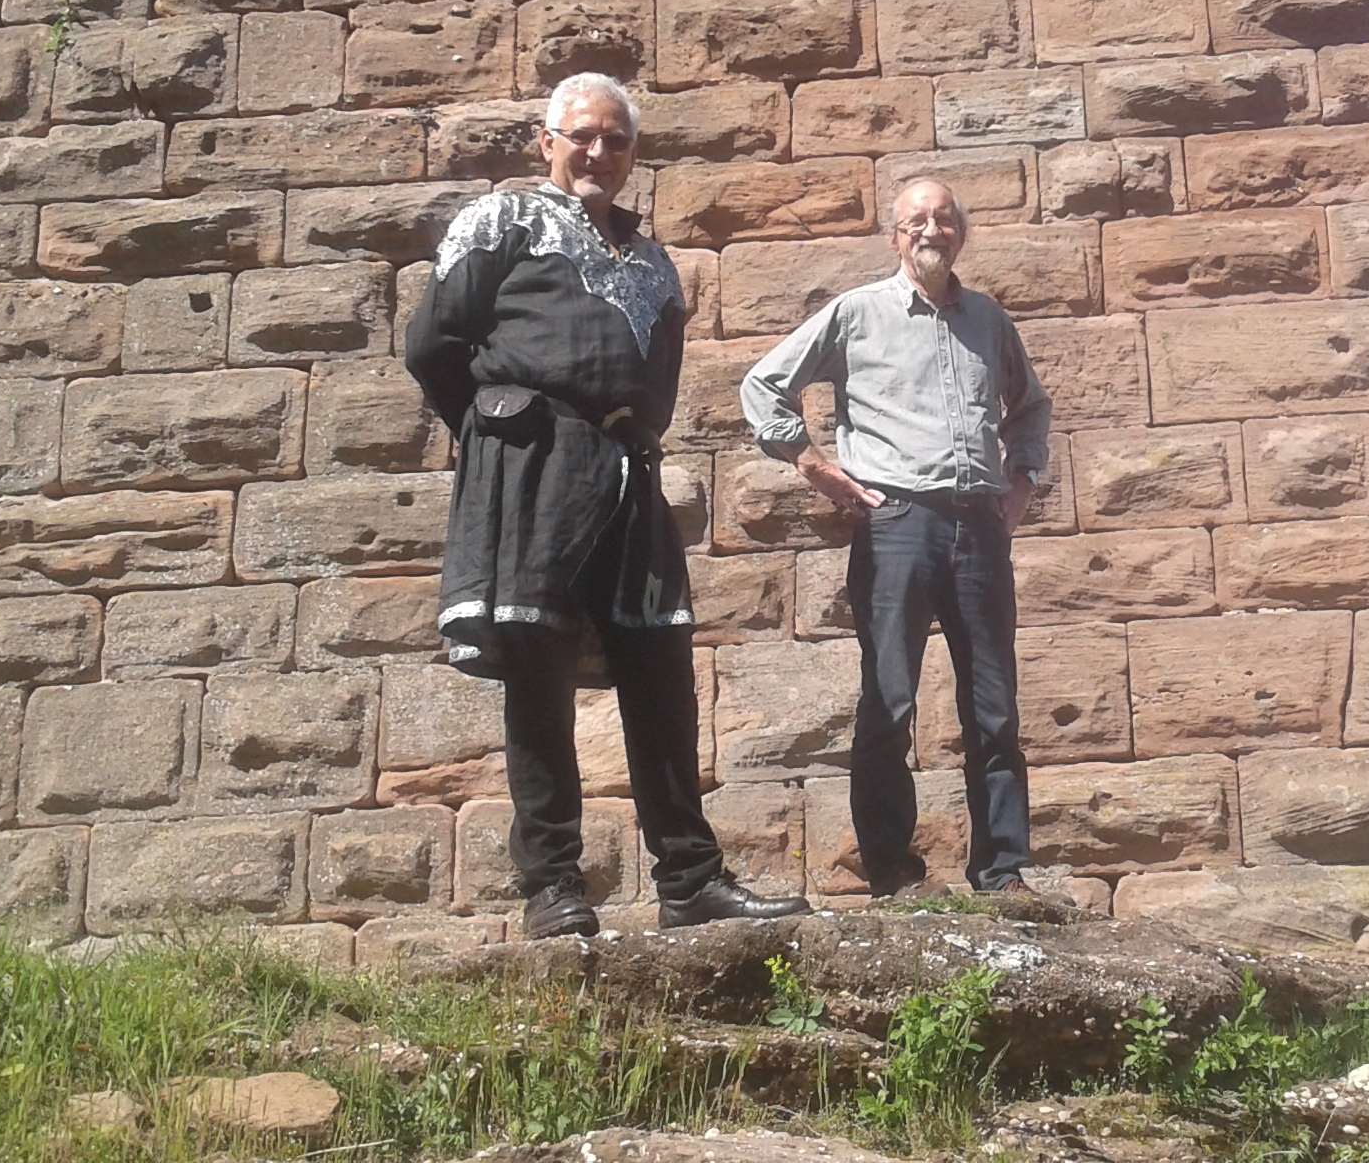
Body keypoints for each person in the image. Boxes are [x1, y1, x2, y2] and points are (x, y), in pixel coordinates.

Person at [405, 71, 807, 939]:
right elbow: (434, 344)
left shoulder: (654, 260)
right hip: (534, 463)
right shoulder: (503, 221)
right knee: (537, 670)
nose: (599, 152)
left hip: (627, 469)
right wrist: (499, 432)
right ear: (546, 142)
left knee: (660, 665)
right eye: (582, 136)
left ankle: (690, 880)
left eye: (616, 141)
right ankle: (552, 886)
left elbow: (657, 381)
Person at [739, 179, 1052, 897]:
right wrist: (815, 466)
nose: (931, 230)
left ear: (960, 234)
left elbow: (1030, 407)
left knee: (995, 707)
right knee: (889, 702)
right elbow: (764, 385)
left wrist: (1021, 485)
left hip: (979, 528)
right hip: (897, 526)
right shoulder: (857, 314)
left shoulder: (989, 320)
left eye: (943, 219)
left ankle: (1002, 873)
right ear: (894, 237)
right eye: (916, 220)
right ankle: (891, 871)